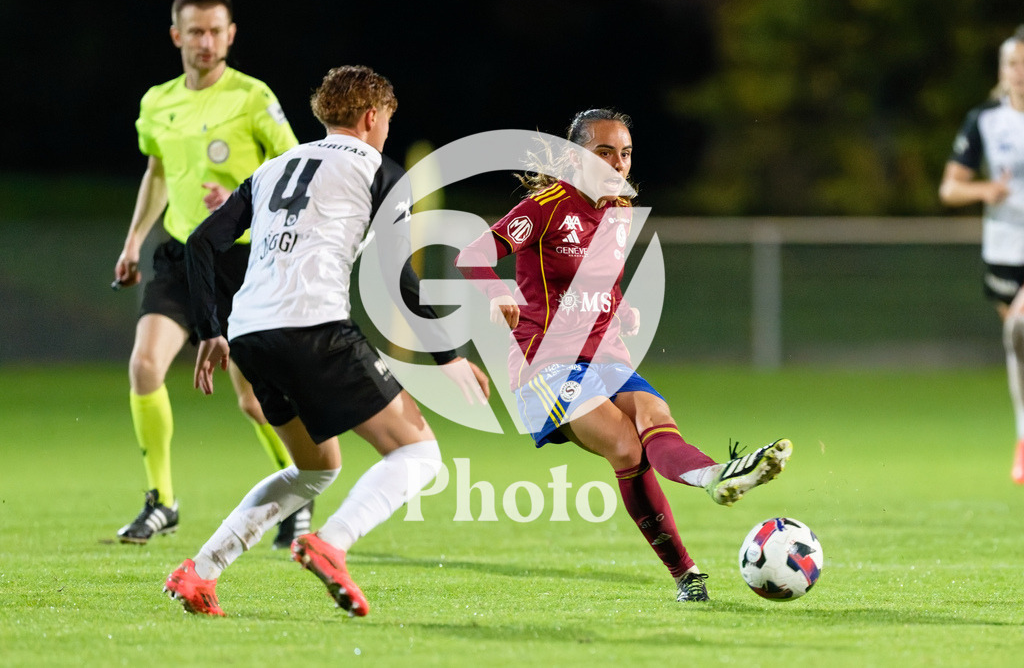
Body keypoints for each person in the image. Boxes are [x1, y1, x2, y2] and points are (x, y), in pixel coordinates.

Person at [164, 64, 490, 617]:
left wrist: (210, 330)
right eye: (386, 120)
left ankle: (199, 572)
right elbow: (398, 278)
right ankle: (330, 545)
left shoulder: (272, 169)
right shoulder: (382, 174)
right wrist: (449, 357)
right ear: (371, 117)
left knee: (316, 468)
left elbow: (200, 242)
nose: (386, 130)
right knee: (419, 452)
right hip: (314, 327)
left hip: (249, 334)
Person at [455, 108, 792, 602]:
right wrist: (497, 295)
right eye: (605, 151)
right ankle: (685, 571)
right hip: (548, 364)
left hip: (604, 353)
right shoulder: (545, 207)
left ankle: (715, 476)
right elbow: (472, 255)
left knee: (656, 414)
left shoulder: (618, 208)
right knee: (626, 447)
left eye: (626, 153)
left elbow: (598, 280)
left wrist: (622, 306)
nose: (618, 162)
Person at [112, 0, 312, 549]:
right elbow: (157, 172)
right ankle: (162, 502)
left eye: (216, 30)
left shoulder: (252, 97)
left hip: (242, 258)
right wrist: (132, 243)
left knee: (251, 398)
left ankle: (297, 491)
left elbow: (293, 172)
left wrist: (236, 201)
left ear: (230, 34)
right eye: (195, 31)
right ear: (177, 35)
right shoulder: (158, 102)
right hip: (179, 255)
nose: (206, 41)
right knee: (145, 365)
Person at [940, 26, 1024, 484]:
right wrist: (985, 188)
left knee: (1019, 324)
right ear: (1002, 70)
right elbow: (950, 188)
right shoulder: (986, 121)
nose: (1020, 73)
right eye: (1013, 64)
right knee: (1019, 342)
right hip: (1005, 251)